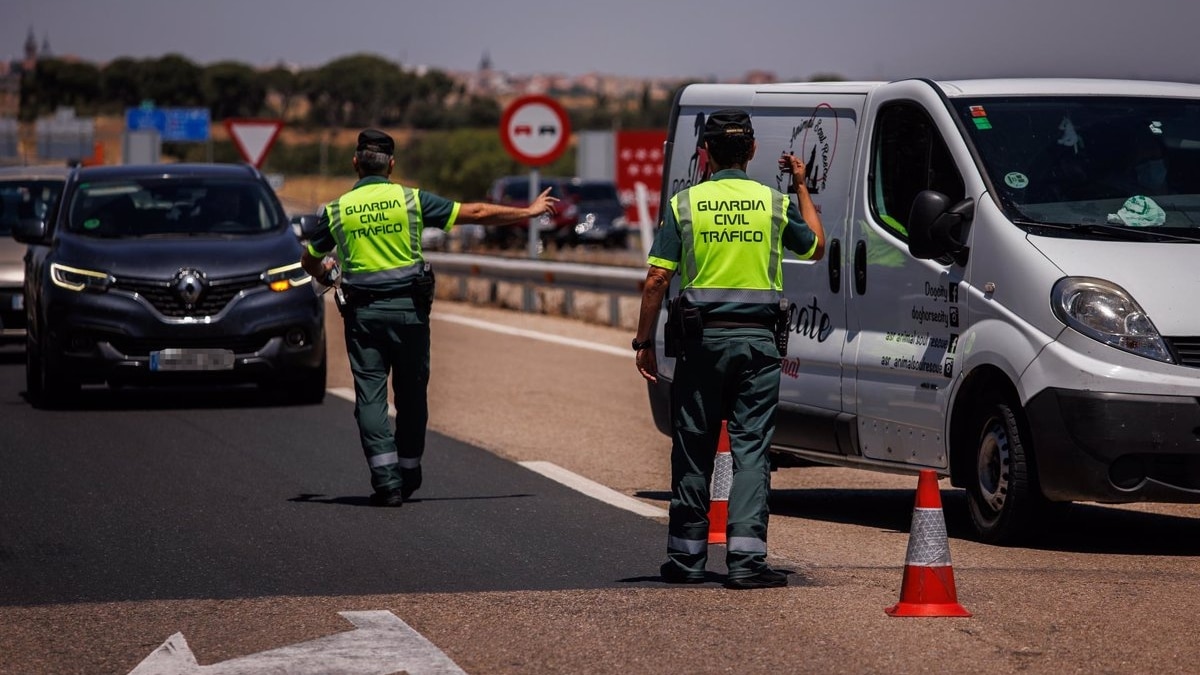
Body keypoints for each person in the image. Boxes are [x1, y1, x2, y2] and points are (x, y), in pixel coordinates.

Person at [300, 129, 558, 507]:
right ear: (391, 164)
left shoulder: (336, 211)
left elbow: (309, 259)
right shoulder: (411, 200)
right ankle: (408, 470)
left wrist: (325, 272)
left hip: (363, 317)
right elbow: (478, 212)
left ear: (355, 163)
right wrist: (528, 211)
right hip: (409, 315)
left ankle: (386, 481)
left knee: (370, 397)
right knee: (411, 394)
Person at [632, 109, 825, 589]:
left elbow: (658, 277)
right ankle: (746, 564)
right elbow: (816, 246)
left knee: (693, 449)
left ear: (706, 153)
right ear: (753, 151)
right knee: (752, 452)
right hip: (758, 346)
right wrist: (800, 185)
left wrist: (644, 341)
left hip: (701, 345)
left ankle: (686, 561)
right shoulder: (774, 204)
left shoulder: (685, 204)